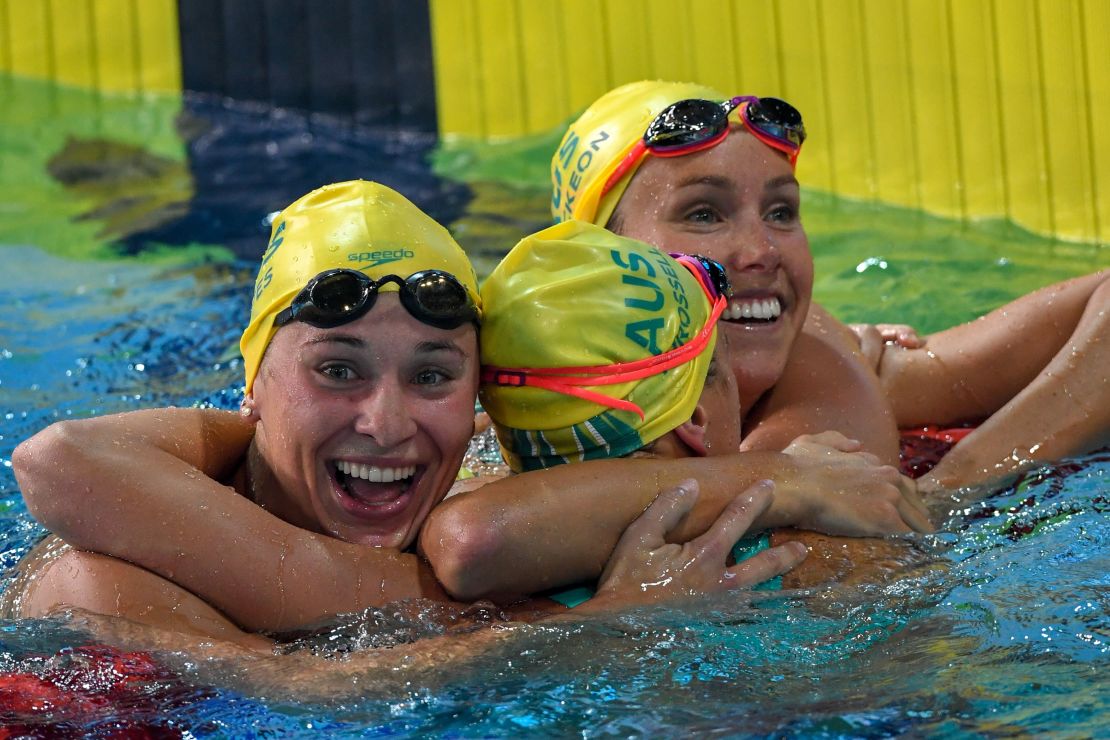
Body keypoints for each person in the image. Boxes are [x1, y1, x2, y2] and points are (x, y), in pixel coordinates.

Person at [12, 180, 922, 647]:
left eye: (436, 376)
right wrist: (598, 628)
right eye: (337, 370)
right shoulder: (108, 580)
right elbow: (309, 698)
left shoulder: (470, 491)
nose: (387, 423)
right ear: (252, 383)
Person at [548, 80, 1109, 490]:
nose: (762, 251)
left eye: (781, 211)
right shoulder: (514, 392)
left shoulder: (819, 364)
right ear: (597, 259)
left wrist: (952, 489)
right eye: (703, 215)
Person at [422, 220, 929, 602]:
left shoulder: (432, 533)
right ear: (695, 419)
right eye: (722, 369)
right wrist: (786, 475)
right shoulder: (801, 558)